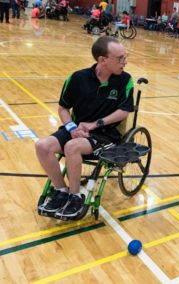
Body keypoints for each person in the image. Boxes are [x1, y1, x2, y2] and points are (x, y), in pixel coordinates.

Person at [36, 36, 134, 219]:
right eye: (120, 58)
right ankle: (61, 190)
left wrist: (94, 124)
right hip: (76, 130)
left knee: (71, 147)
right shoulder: (77, 78)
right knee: (42, 146)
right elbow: (63, 108)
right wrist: (72, 128)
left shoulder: (125, 81)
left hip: (105, 135)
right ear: (102, 60)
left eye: (125, 56)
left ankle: (76, 195)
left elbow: (124, 111)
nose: (125, 62)